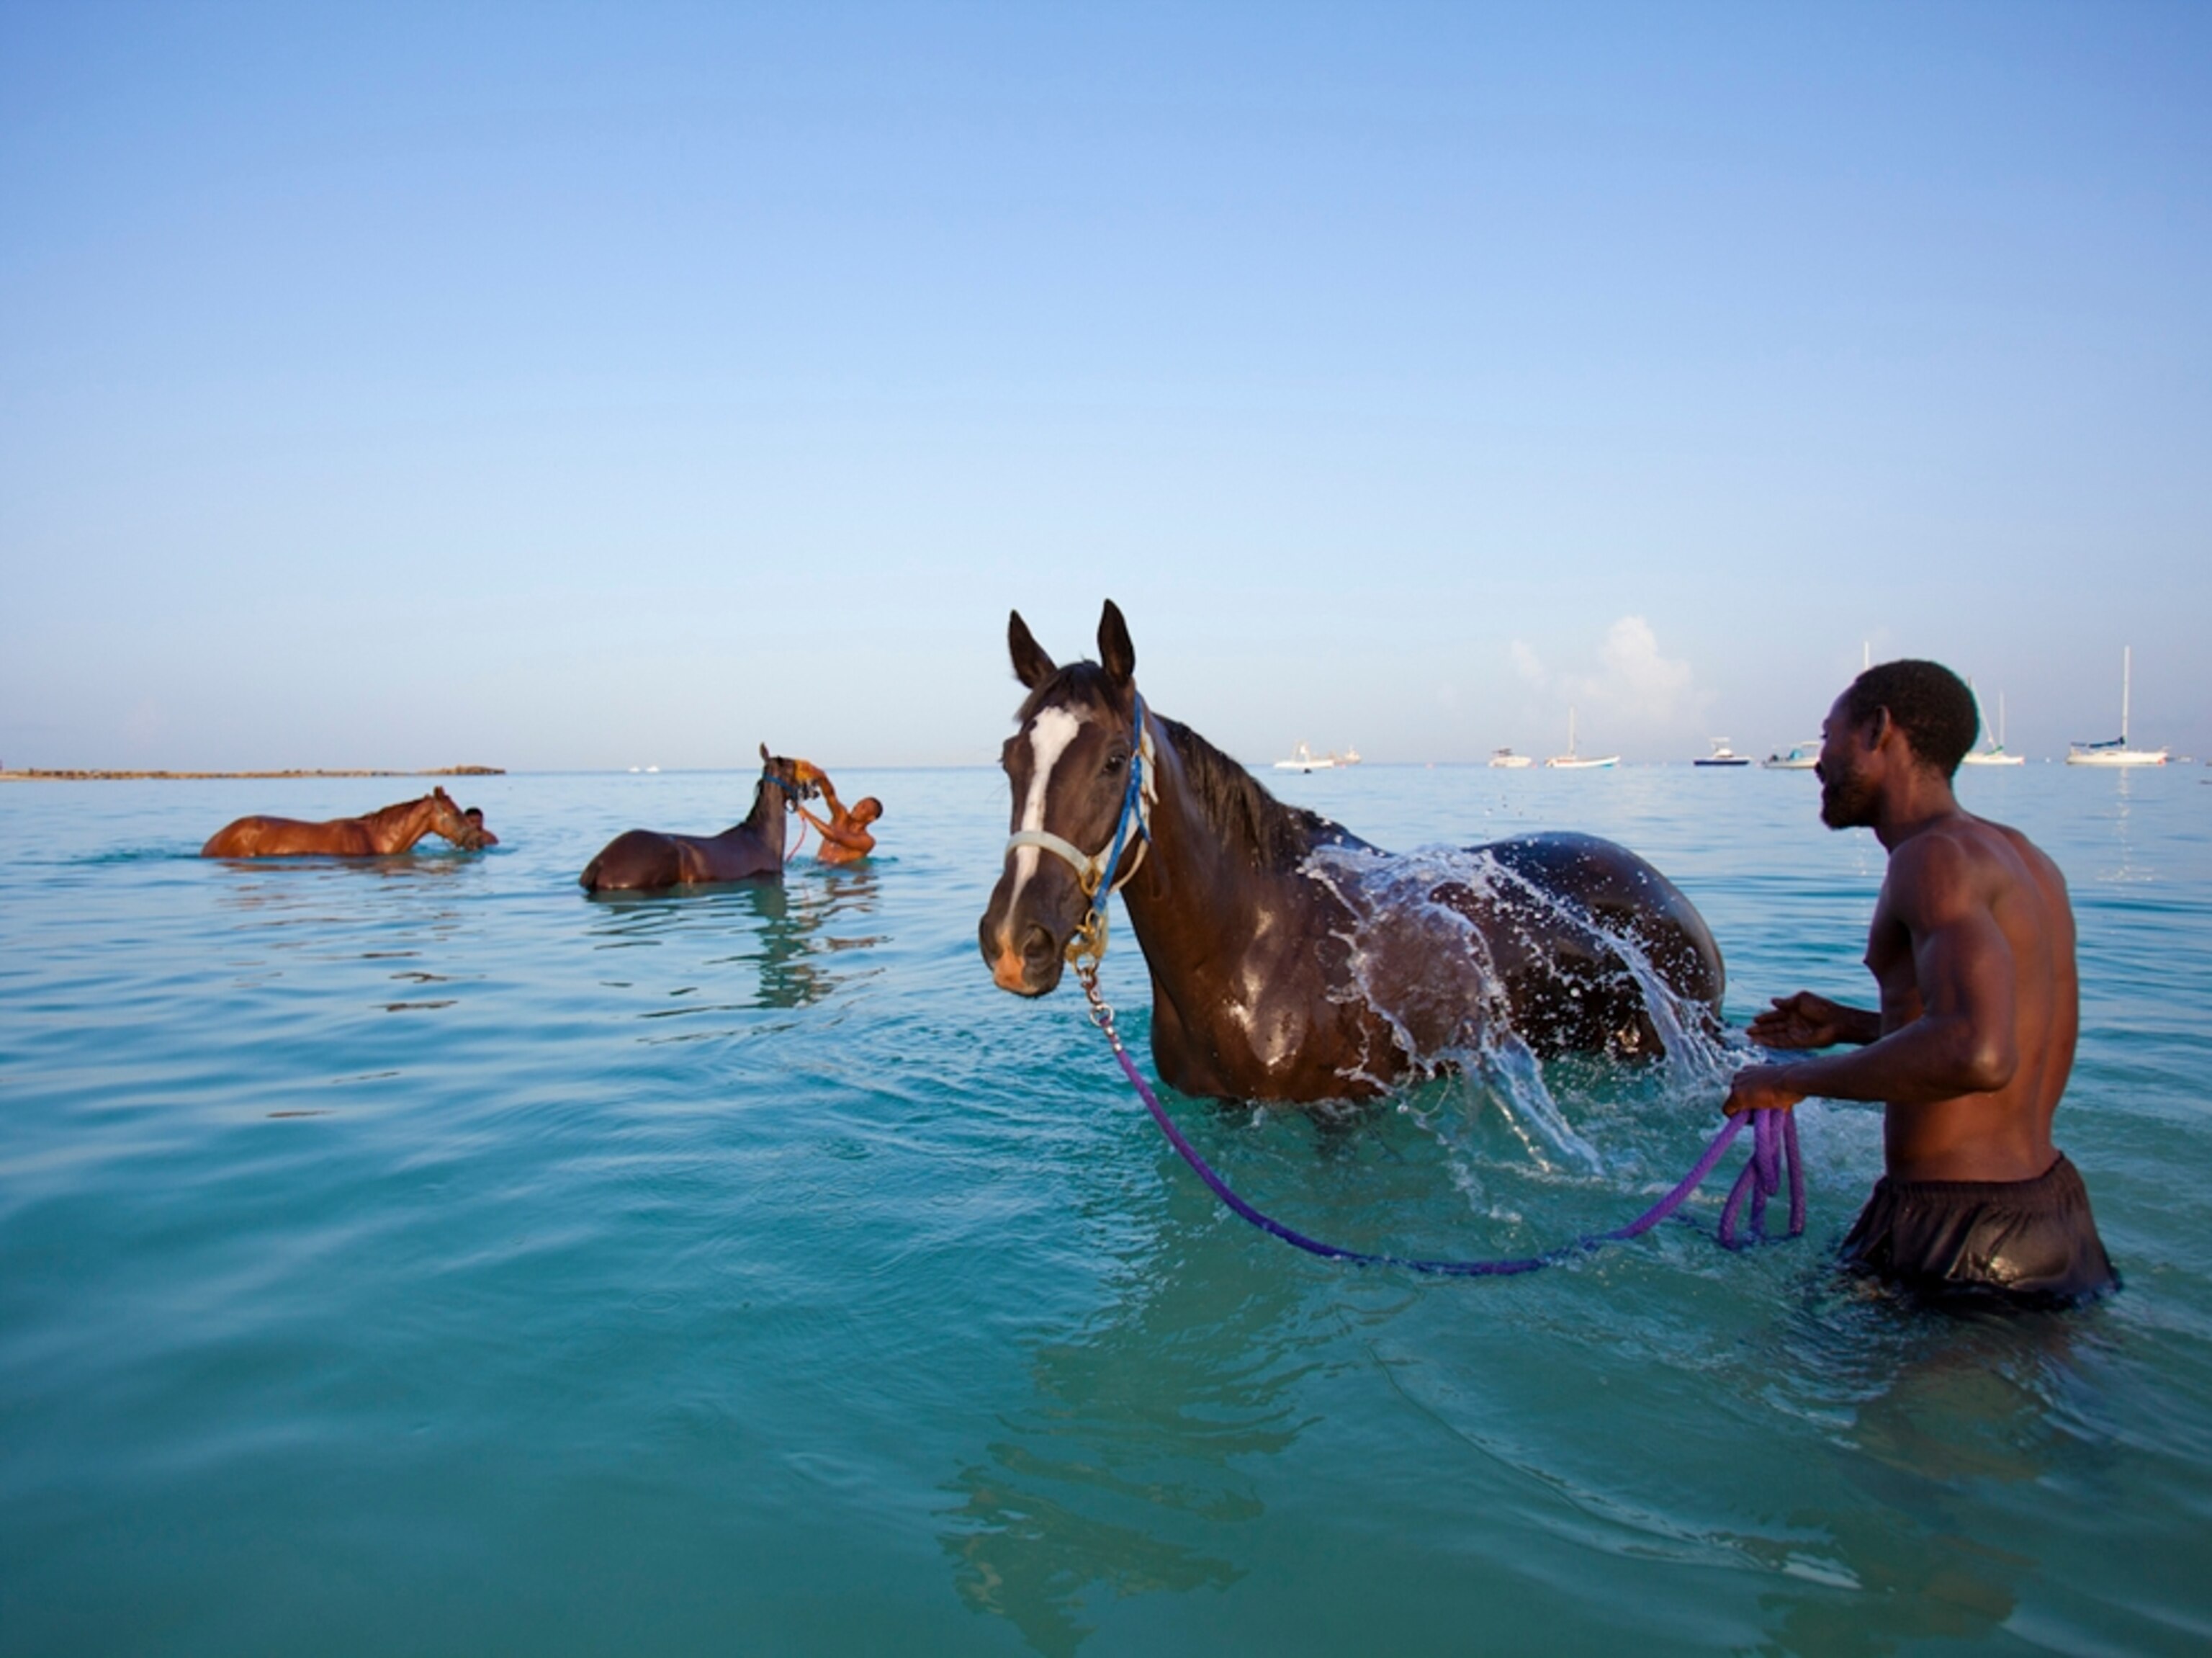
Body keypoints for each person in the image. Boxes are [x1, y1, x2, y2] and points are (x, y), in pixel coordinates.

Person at [1723, 659, 2118, 1307]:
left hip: (1960, 1227)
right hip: (2052, 1210)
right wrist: (1852, 1026)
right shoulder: (2023, 856)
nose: (1819, 762)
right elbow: (2011, 1029)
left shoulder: (1931, 859)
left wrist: (1787, 1082)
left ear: (1879, 730)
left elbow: (1978, 1054)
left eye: (1830, 737)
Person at [789, 762, 881, 866]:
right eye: (859, 803)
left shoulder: (867, 841)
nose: (857, 807)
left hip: (841, 872)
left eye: (863, 807)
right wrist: (822, 778)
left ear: (871, 818)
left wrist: (806, 814)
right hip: (819, 865)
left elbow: (835, 837)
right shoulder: (841, 816)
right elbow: (830, 795)